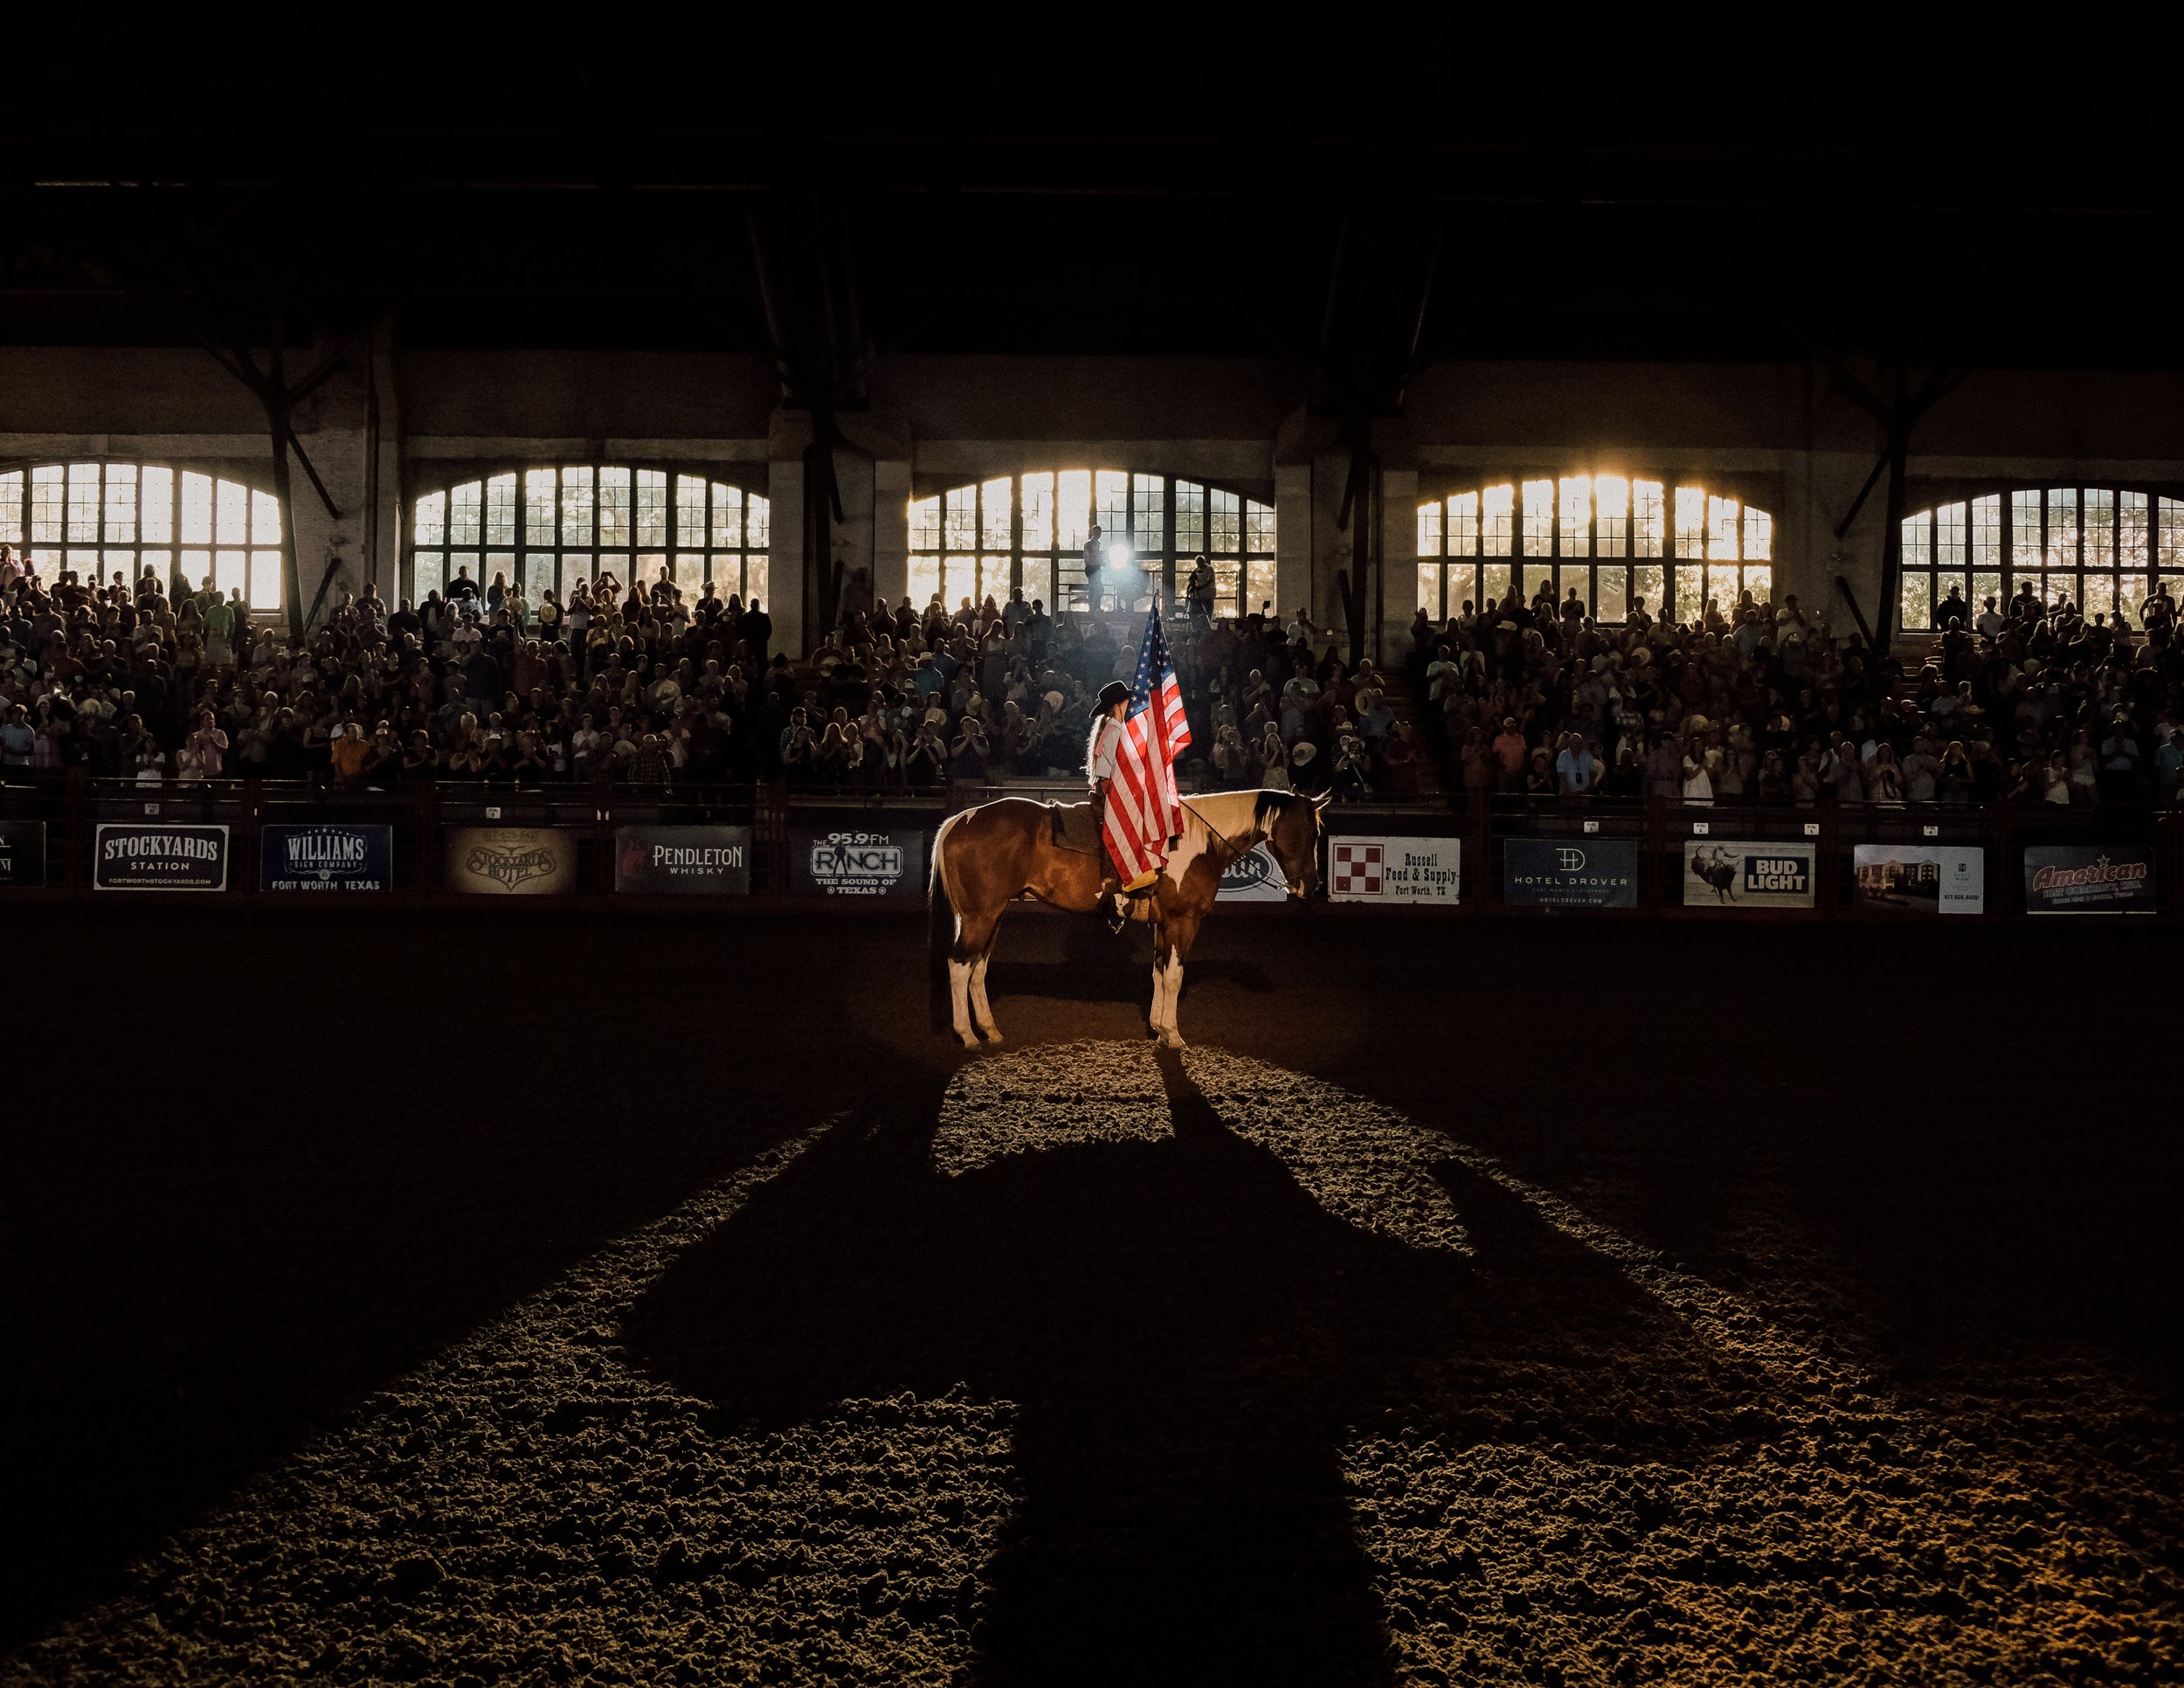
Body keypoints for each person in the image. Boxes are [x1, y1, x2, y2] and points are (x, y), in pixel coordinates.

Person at [1085, 679, 1137, 930]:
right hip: (1111, 791)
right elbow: (1119, 770)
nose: (1131, 705)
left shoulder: (1111, 729)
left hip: (1107, 788)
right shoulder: (1115, 731)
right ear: (1119, 705)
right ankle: (1114, 886)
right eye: (1128, 701)